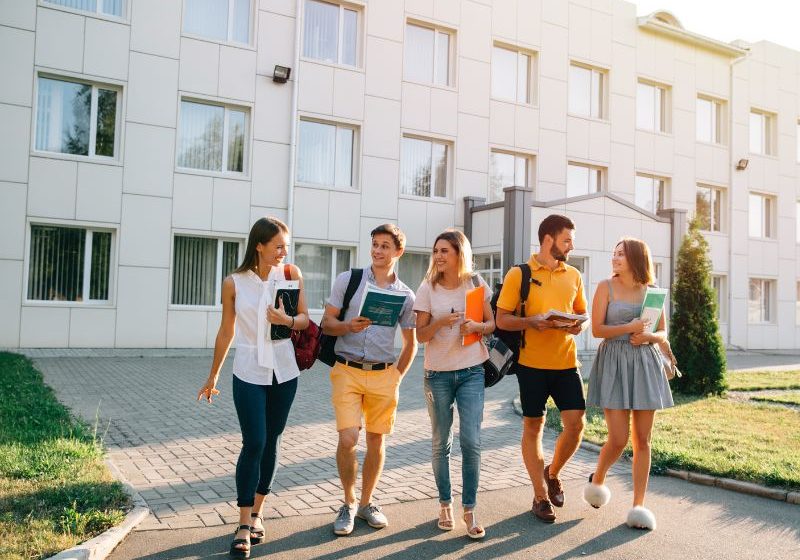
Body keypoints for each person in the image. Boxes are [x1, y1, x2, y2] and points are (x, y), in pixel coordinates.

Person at [197, 217, 309, 558]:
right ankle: (243, 522)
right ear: (258, 245)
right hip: (247, 370)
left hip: (285, 370)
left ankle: (258, 513)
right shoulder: (233, 282)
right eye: (278, 246)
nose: (283, 252)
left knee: (272, 441)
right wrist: (213, 374)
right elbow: (226, 331)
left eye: (286, 247)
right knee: (254, 441)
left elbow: (305, 319)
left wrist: (286, 321)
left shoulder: (291, 275)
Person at [321, 224, 418, 536]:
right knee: (348, 438)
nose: (377, 251)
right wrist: (348, 326)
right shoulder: (348, 280)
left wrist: (396, 377)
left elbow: (411, 343)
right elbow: (326, 324)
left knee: (377, 440)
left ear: (397, 252)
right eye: (375, 244)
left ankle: (366, 503)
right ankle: (348, 503)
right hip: (347, 369)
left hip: (382, 375)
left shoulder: (405, 295)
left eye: (385, 246)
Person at [495, 214, 589, 523]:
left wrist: (576, 326)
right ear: (548, 239)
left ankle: (553, 472)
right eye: (566, 240)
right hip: (531, 365)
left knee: (576, 425)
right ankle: (539, 496)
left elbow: (580, 312)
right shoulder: (518, 274)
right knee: (533, 427)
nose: (571, 245)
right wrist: (531, 322)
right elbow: (502, 319)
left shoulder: (573, 275)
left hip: (566, 363)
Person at [583, 238, 673, 530]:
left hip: (645, 364)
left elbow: (662, 331)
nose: (615, 258)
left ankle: (638, 505)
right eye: (614, 253)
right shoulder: (604, 287)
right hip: (614, 363)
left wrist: (648, 337)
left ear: (635, 258)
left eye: (621, 254)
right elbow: (597, 330)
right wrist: (630, 328)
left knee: (643, 440)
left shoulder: (652, 293)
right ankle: (597, 479)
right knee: (619, 438)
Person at [413, 229, 495, 539]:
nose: (438, 256)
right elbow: (420, 335)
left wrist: (476, 326)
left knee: (471, 441)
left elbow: (492, 323)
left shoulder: (475, 283)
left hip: (472, 370)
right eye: (436, 251)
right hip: (438, 374)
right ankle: (445, 503)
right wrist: (440, 323)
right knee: (440, 442)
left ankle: (470, 508)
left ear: (459, 253)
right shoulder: (427, 289)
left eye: (444, 250)